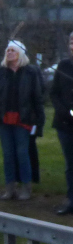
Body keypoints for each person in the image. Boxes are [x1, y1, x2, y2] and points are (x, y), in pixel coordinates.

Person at [0, 40, 45, 201]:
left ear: (20, 53)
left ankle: (26, 187)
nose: (9, 53)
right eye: (8, 50)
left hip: (23, 120)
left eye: (13, 50)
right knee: (8, 154)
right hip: (4, 119)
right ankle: (10, 187)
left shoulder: (30, 72)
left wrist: (39, 122)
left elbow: (37, 98)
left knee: (22, 153)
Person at [51, 31, 73, 214]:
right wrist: (63, 111)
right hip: (65, 123)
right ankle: (71, 199)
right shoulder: (63, 65)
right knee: (70, 164)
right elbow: (54, 92)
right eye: (72, 42)